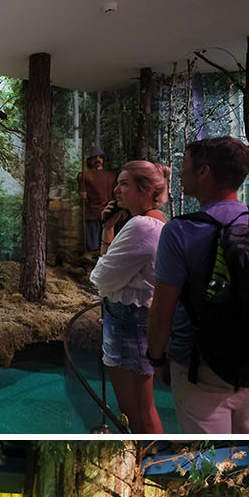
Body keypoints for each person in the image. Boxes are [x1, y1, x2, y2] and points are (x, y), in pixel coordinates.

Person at [147, 134, 249, 434]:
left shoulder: (181, 231)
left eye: (185, 166)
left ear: (204, 172)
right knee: (247, 463)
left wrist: (157, 359)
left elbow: (161, 311)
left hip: (201, 370)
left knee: (206, 464)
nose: (179, 173)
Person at [89, 160, 168, 433]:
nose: (116, 190)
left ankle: (147, 456)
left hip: (127, 322)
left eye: (125, 184)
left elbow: (99, 279)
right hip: (135, 319)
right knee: (141, 407)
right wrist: (108, 229)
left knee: (135, 408)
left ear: (146, 190)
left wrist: (107, 239)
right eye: (117, 183)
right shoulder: (156, 223)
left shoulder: (142, 226)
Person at [83, 148, 116, 256]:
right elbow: (83, 193)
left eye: (100, 157)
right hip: (92, 213)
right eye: (94, 157)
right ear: (90, 160)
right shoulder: (85, 175)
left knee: (108, 242)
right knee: (93, 245)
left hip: (108, 212)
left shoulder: (112, 175)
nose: (97, 159)